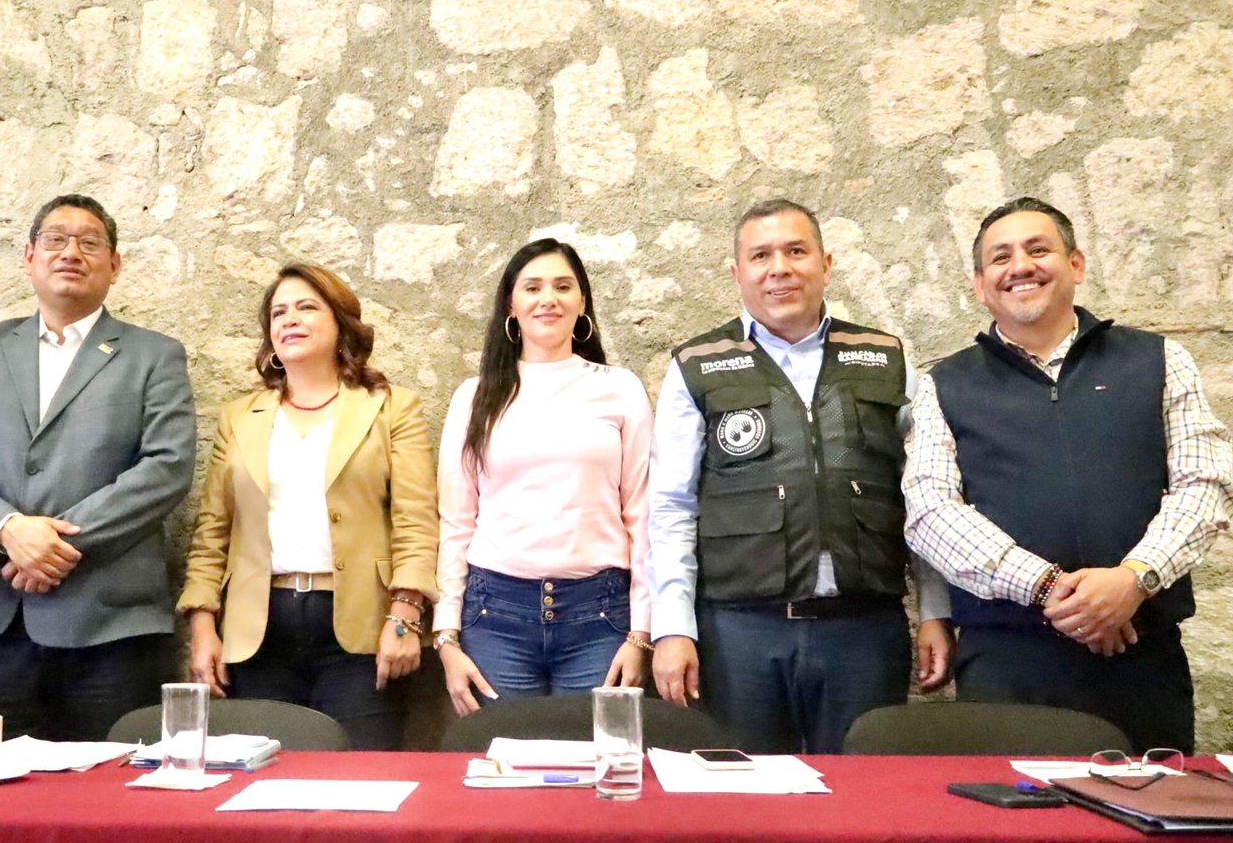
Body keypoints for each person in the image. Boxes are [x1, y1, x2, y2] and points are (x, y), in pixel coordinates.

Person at [904, 197, 1233, 752]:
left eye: (1039, 249)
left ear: (1075, 264)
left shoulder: (1158, 360)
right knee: (1009, 809)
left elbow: (1206, 483)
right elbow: (930, 510)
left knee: (1151, 804)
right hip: (1007, 665)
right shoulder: (946, 384)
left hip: (1140, 658)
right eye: (1000, 257)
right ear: (981, 285)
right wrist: (1051, 588)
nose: (1021, 266)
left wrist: (1133, 579)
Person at [648, 199, 953, 754]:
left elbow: (926, 498)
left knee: (863, 790)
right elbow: (672, 505)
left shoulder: (885, 359)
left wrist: (936, 612)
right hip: (739, 632)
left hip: (862, 630)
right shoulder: (698, 365)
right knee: (746, 793)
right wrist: (672, 627)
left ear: (825, 264)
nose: (779, 268)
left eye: (795, 251)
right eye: (760, 255)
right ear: (737, 273)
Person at [0, 193, 196, 741]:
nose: (71, 252)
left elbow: (166, 466)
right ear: (29, 256)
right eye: (55, 240)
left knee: (109, 783)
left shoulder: (154, 355)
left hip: (109, 620)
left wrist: (54, 546)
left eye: (89, 242)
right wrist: (7, 531)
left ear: (114, 265)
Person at [178, 263, 438, 750]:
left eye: (306, 307)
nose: (289, 320)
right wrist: (202, 624)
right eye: (278, 313)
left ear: (341, 323)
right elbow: (213, 531)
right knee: (264, 774)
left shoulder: (390, 408)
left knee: (360, 776)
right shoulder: (240, 417)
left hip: (361, 630)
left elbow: (416, 521)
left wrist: (404, 615)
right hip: (260, 632)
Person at [432, 238, 654, 717]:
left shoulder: (620, 389)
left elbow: (642, 514)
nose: (548, 299)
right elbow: (456, 522)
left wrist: (642, 632)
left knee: (597, 755)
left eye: (562, 286)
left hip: (601, 616)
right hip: (495, 616)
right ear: (510, 306)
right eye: (532, 288)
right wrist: (446, 635)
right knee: (500, 756)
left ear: (582, 302)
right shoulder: (474, 397)